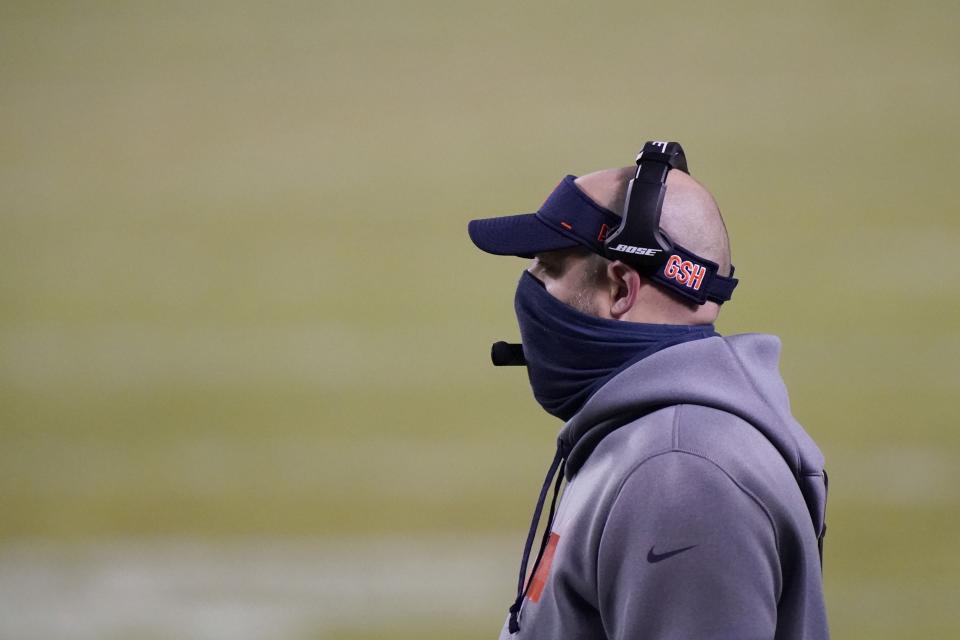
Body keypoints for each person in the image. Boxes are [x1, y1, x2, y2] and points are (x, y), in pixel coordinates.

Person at [467, 145, 829, 639]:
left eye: (549, 267)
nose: (530, 286)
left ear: (621, 288)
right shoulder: (652, 443)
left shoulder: (681, 473)